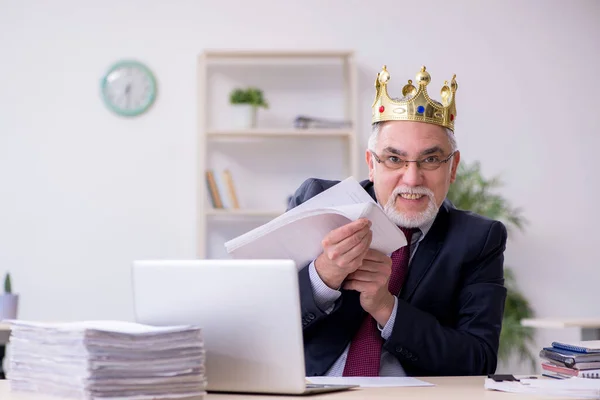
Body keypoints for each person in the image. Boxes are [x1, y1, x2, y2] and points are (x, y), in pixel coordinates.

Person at [288, 65, 507, 377]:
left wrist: (386, 308)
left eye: (431, 159)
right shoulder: (319, 203)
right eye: (394, 159)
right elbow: (262, 321)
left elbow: (478, 360)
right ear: (371, 164)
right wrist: (323, 278)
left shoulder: (479, 239)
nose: (412, 178)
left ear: (453, 167)